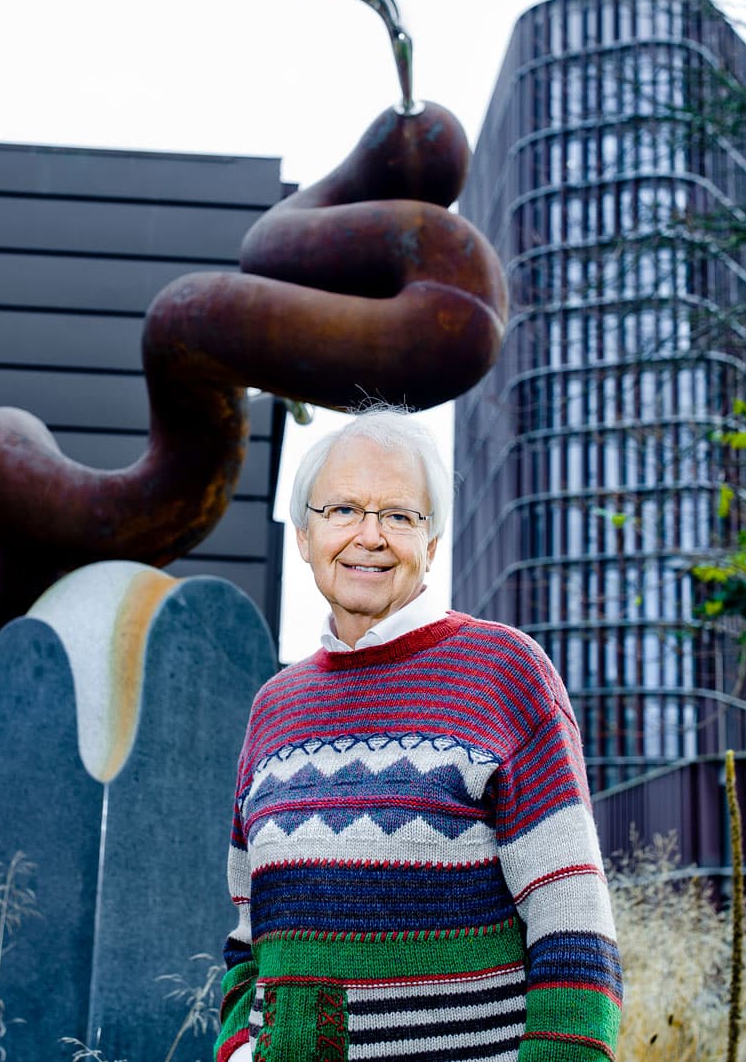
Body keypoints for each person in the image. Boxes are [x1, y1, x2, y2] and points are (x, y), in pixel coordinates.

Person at [215, 407, 622, 1062]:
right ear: (304, 535)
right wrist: (236, 1047)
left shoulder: (505, 674)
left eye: (399, 516)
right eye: (342, 510)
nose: (368, 537)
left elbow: (573, 929)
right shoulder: (274, 707)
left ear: (431, 544)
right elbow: (246, 939)